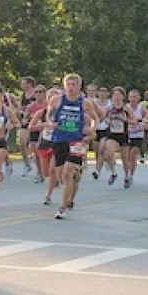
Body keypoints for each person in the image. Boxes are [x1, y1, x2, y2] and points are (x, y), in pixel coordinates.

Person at [46, 73, 99, 219]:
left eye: (74, 84)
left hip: (76, 141)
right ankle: (74, 178)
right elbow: (49, 115)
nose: (70, 87)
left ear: (79, 86)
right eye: (68, 84)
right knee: (61, 176)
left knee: (66, 174)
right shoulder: (56, 100)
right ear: (64, 86)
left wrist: (91, 129)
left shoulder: (85, 102)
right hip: (59, 139)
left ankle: (62, 207)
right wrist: (51, 123)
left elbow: (95, 118)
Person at [102, 86, 137, 188]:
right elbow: (104, 118)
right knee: (108, 153)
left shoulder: (126, 108)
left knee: (125, 159)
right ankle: (113, 173)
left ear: (123, 96)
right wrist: (107, 121)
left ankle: (126, 177)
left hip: (123, 135)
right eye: (114, 95)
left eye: (118, 95)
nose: (116, 97)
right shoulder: (109, 108)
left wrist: (125, 120)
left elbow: (134, 121)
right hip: (112, 135)